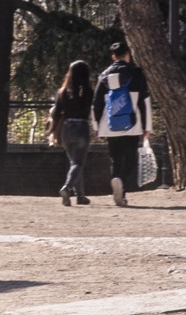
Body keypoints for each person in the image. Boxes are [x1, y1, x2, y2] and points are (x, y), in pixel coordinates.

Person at [92, 39, 151, 206]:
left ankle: (117, 182)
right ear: (128, 55)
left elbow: (96, 103)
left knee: (115, 159)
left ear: (113, 57)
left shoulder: (104, 76)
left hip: (111, 126)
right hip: (133, 124)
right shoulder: (137, 73)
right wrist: (147, 127)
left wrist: (96, 126)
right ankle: (122, 184)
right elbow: (144, 101)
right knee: (131, 160)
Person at [50, 61, 95, 205]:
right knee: (78, 162)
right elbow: (92, 110)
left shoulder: (63, 91)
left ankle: (80, 196)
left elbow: (56, 113)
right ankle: (67, 187)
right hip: (81, 127)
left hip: (66, 129)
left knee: (74, 163)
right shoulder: (88, 91)